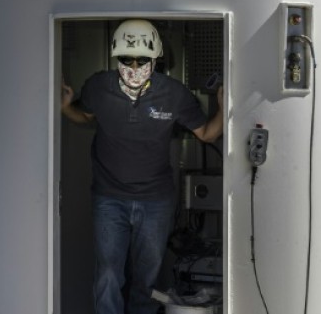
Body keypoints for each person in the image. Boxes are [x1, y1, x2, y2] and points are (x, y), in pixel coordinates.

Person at [61, 19, 224, 314]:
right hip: (109, 198)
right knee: (108, 275)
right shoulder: (98, 86)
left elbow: (206, 134)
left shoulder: (174, 94)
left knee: (147, 280)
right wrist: (65, 107)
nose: (134, 67)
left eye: (142, 60)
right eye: (127, 59)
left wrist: (225, 109)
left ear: (155, 59)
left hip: (156, 202)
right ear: (116, 57)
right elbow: (85, 118)